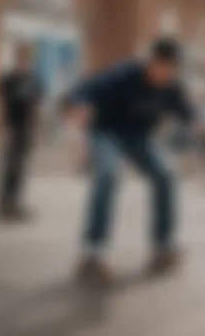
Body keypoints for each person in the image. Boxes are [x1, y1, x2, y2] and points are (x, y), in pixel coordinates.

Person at [64, 38, 195, 283]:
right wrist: (79, 106)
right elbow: (84, 90)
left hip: (139, 137)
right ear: (150, 62)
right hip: (107, 133)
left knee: (166, 175)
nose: (164, 75)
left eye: (171, 70)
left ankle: (162, 247)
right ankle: (93, 253)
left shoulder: (172, 86)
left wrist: (201, 127)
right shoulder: (123, 74)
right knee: (108, 175)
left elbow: (187, 113)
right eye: (161, 68)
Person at [0, 44, 44, 220]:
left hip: (26, 128)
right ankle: (4, 203)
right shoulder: (9, 79)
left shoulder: (34, 79)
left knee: (21, 167)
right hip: (12, 126)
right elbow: (2, 105)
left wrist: (37, 129)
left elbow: (35, 107)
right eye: (22, 55)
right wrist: (3, 128)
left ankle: (15, 203)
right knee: (9, 166)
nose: (25, 59)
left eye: (28, 56)